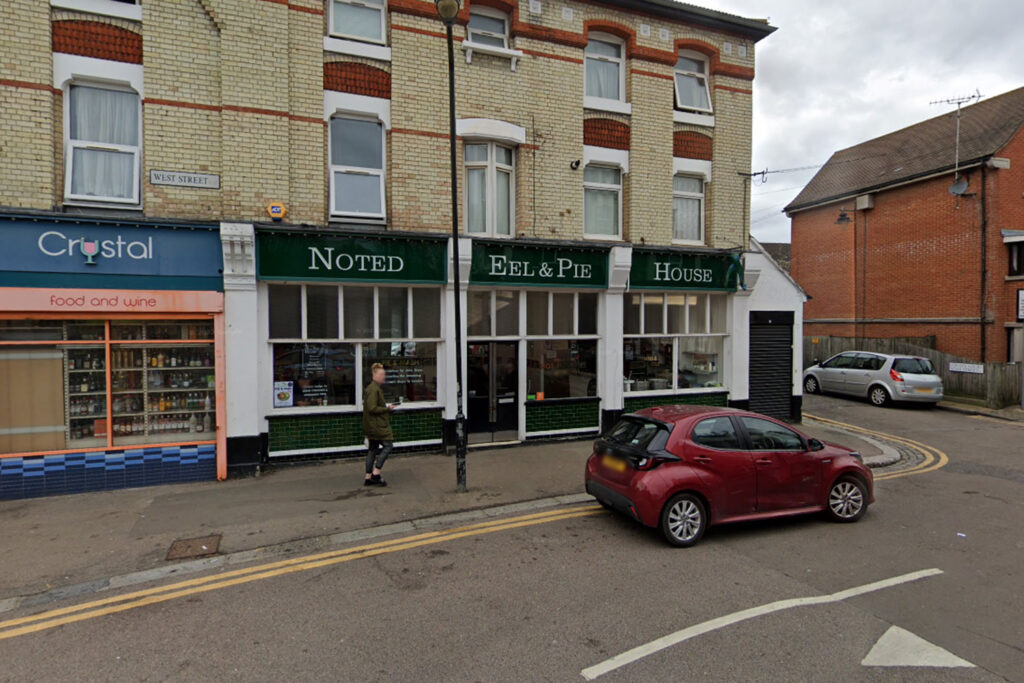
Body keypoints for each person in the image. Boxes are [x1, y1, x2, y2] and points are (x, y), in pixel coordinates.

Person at [363, 363, 394, 486]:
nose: (383, 376)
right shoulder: (373, 389)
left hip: (371, 425)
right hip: (376, 426)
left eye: (384, 374)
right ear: (374, 375)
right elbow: (372, 408)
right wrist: (387, 409)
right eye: (381, 374)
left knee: (372, 449)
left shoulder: (373, 388)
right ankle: (376, 473)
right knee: (388, 446)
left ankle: (368, 477)